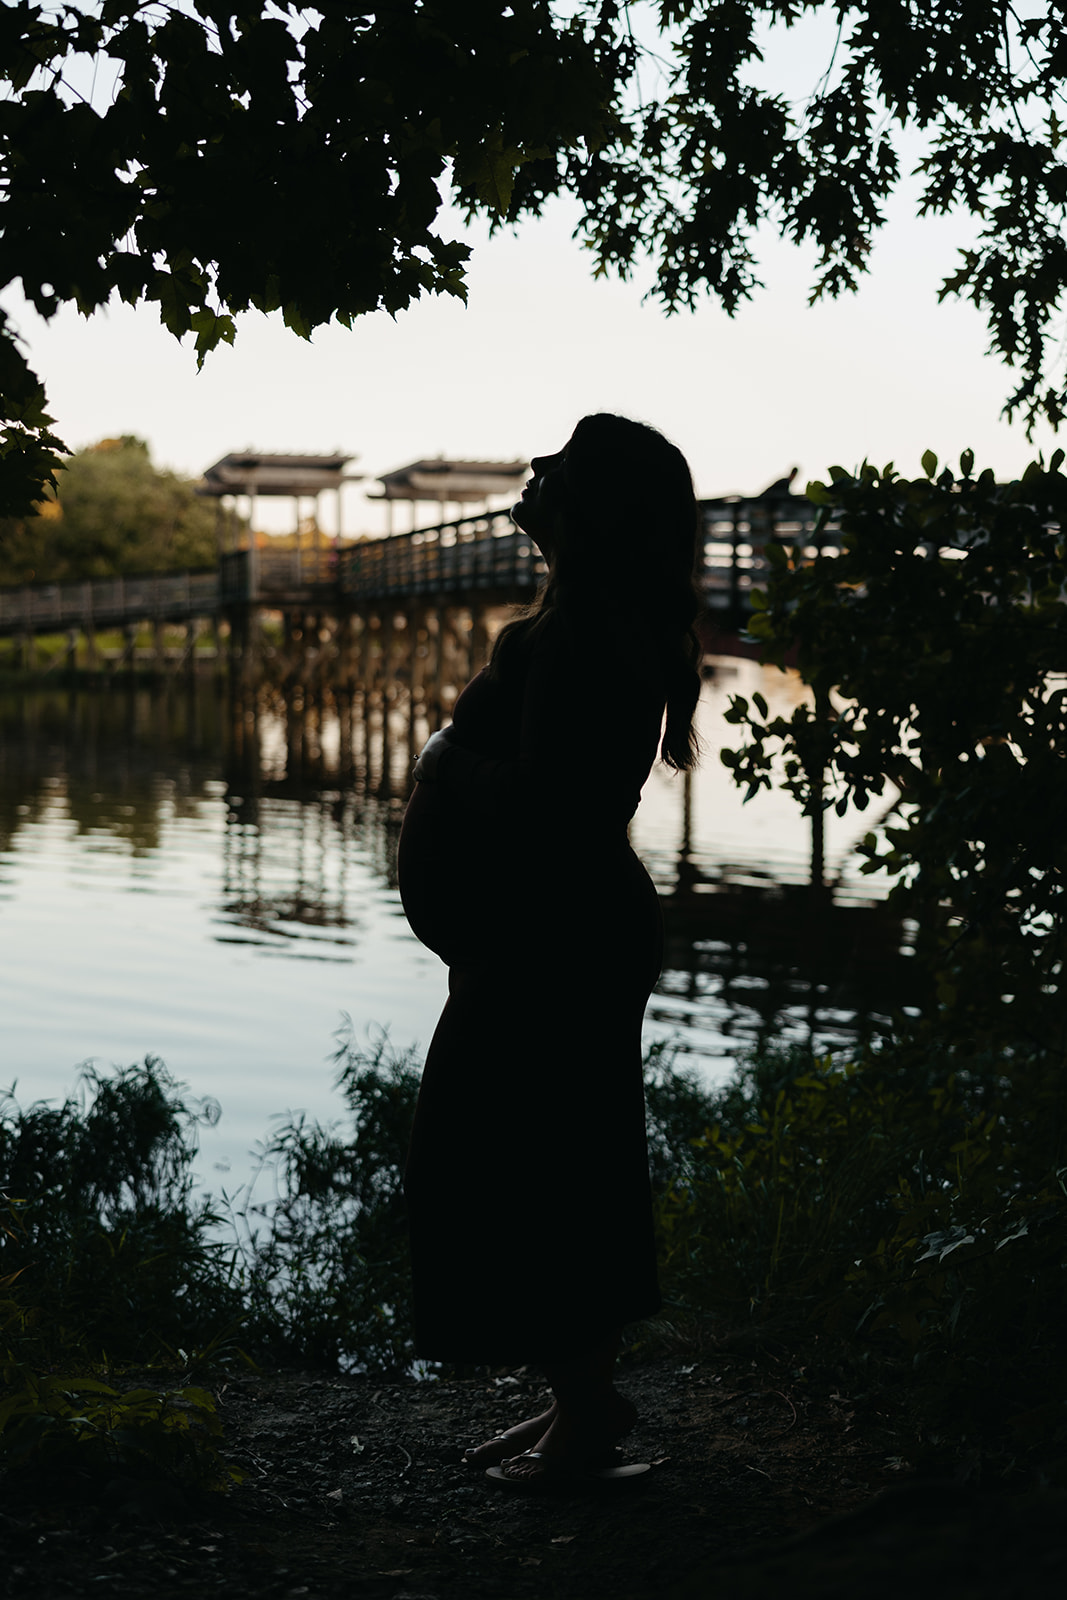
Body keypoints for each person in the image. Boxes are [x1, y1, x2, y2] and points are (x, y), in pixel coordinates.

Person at [397, 412, 702, 1488]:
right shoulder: (590, 622)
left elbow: (550, 808)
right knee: (559, 1153)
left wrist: (441, 761)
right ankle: (577, 1402)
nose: (533, 474)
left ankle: (582, 1413)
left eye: (558, 467)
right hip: (560, 932)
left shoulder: (578, 636)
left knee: (516, 1160)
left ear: (591, 507)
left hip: (553, 938)